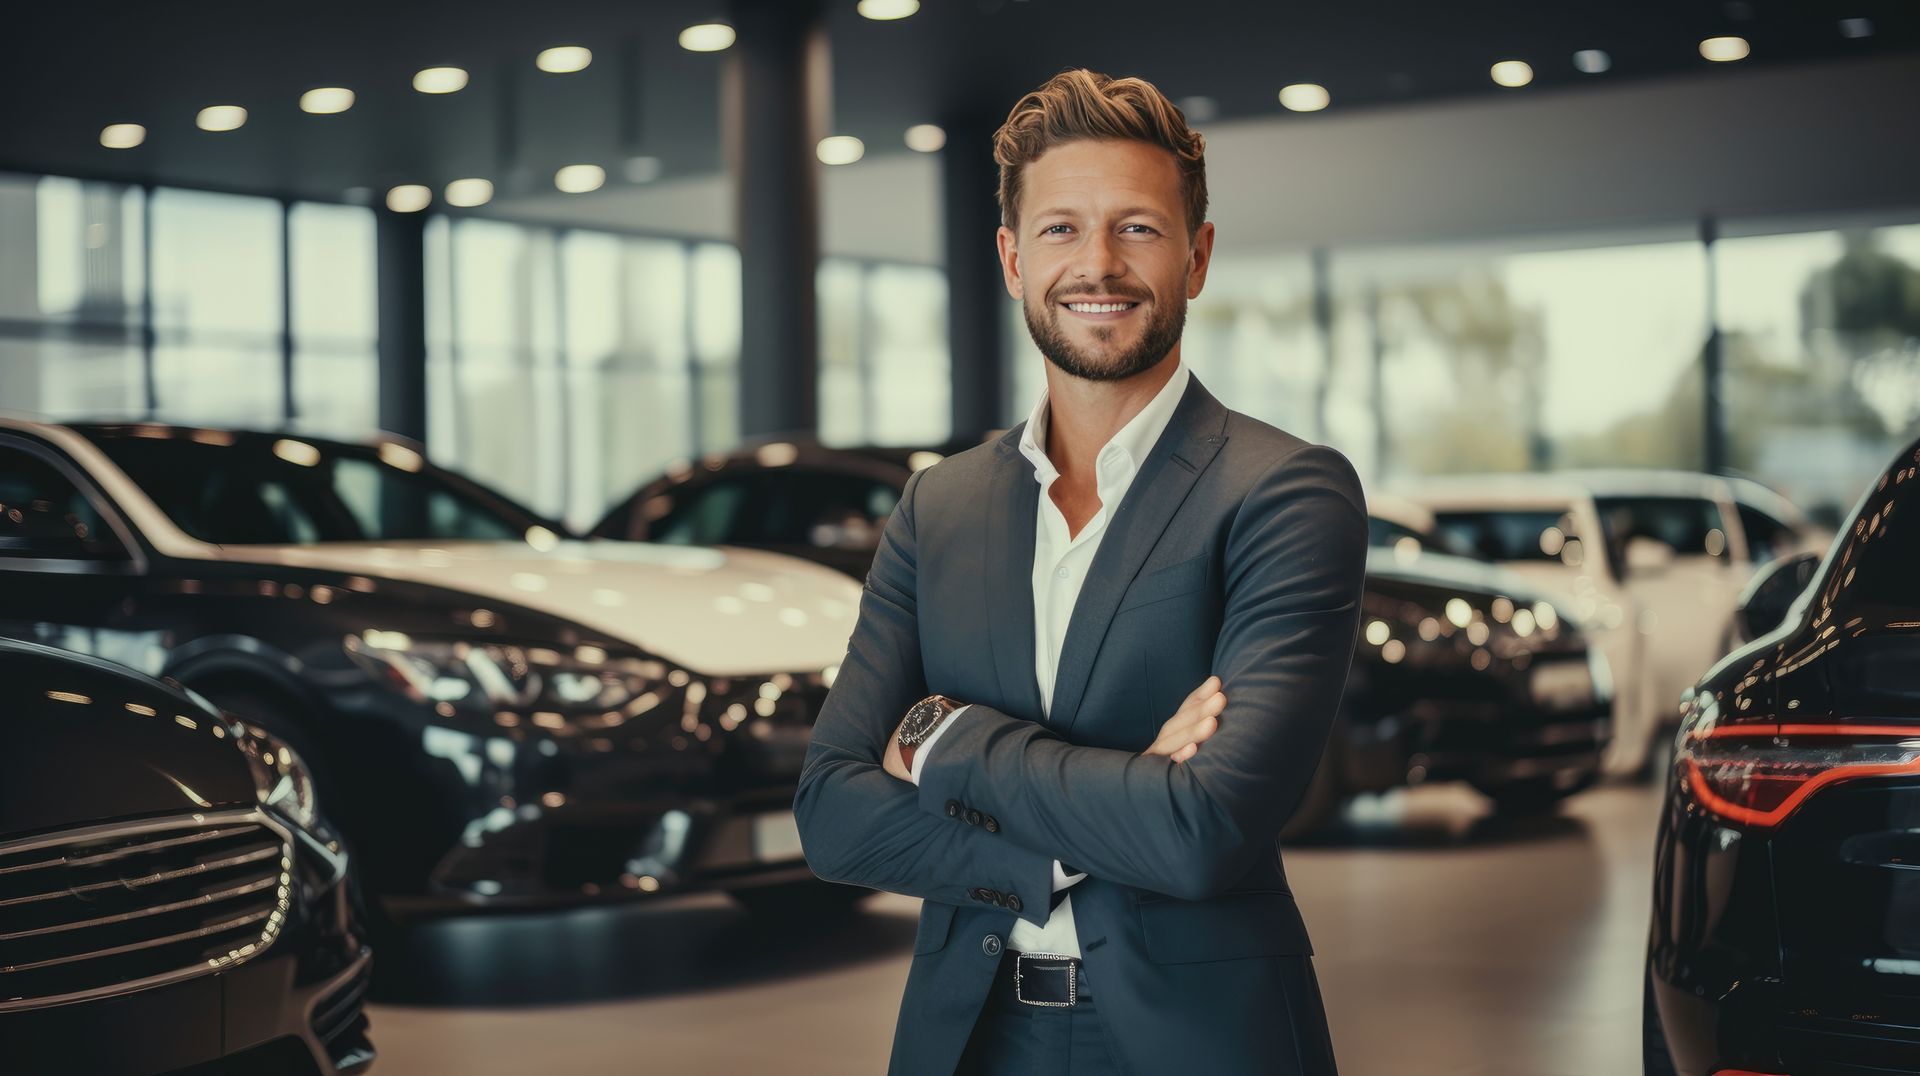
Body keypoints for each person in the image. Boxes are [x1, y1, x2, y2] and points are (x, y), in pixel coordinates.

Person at [794, 68, 1366, 1075]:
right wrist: (1109, 803)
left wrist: (943, 738)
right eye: (1061, 229)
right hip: (970, 1035)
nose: (1097, 263)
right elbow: (834, 812)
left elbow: (1203, 827)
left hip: (1198, 1040)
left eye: (1138, 228)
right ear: (1013, 259)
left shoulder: (1285, 492)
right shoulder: (943, 505)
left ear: (1198, 256)